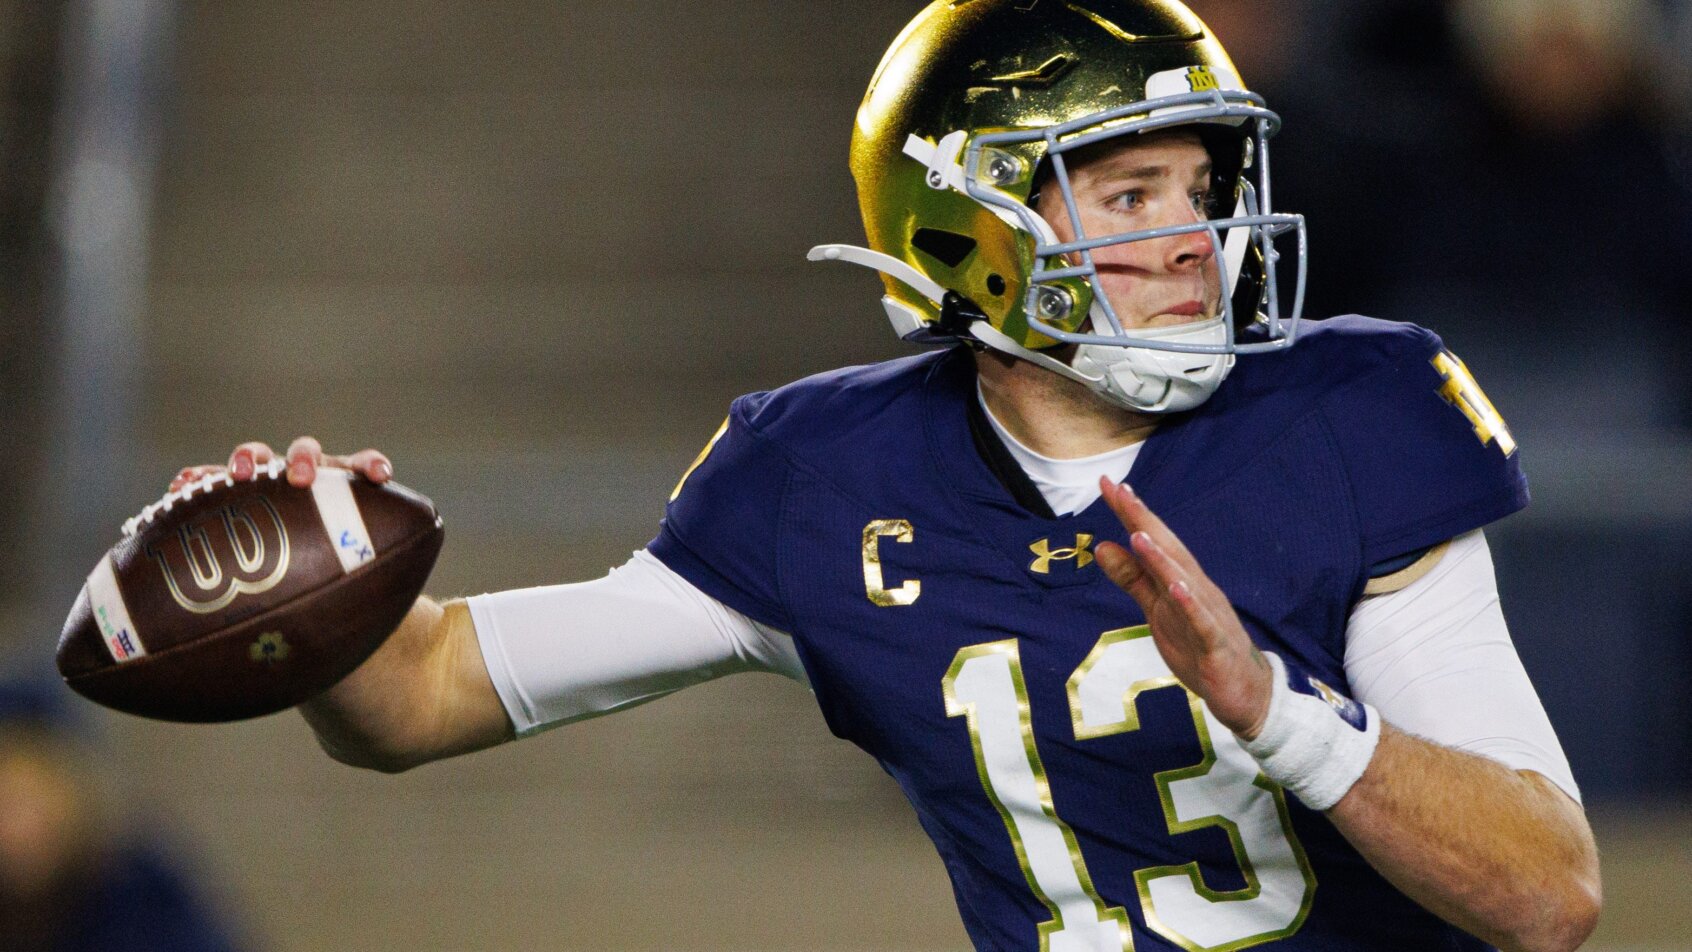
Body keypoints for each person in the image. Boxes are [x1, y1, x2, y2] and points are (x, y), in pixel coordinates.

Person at [166, 1, 1600, 949]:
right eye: (1127, 196)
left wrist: (1278, 715)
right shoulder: (824, 478)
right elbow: (415, 703)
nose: (1191, 243)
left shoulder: (1350, 411)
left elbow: (1548, 896)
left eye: (1203, 192)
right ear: (966, 226)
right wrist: (318, 594)